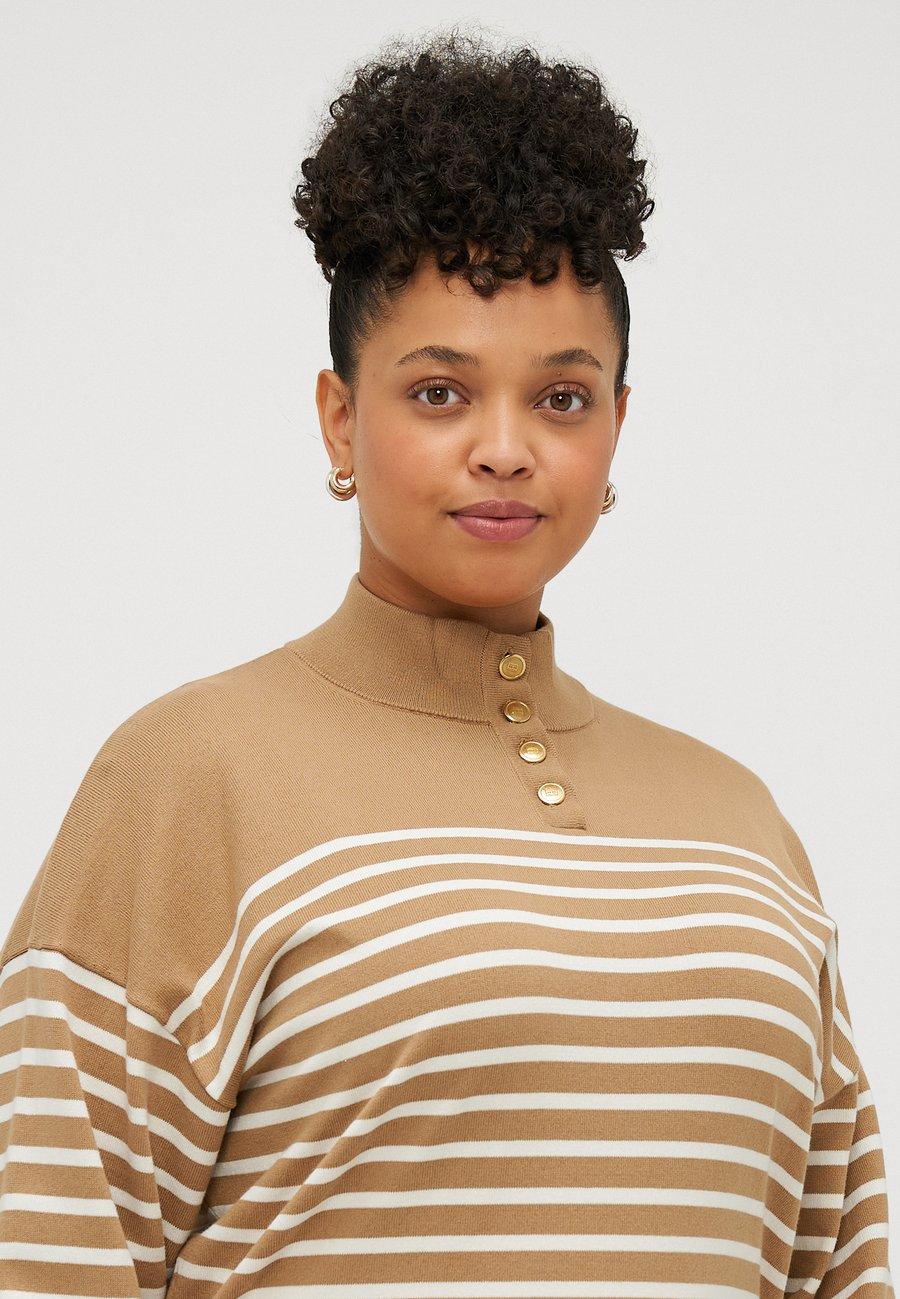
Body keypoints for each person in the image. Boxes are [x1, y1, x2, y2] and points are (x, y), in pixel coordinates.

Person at [0, 28, 893, 1299]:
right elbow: (49, 1251)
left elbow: (841, 1262)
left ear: (619, 424)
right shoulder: (187, 776)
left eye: (562, 397)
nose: (505, 448)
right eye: (439, 393)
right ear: (339, 419)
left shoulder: (745, 827)